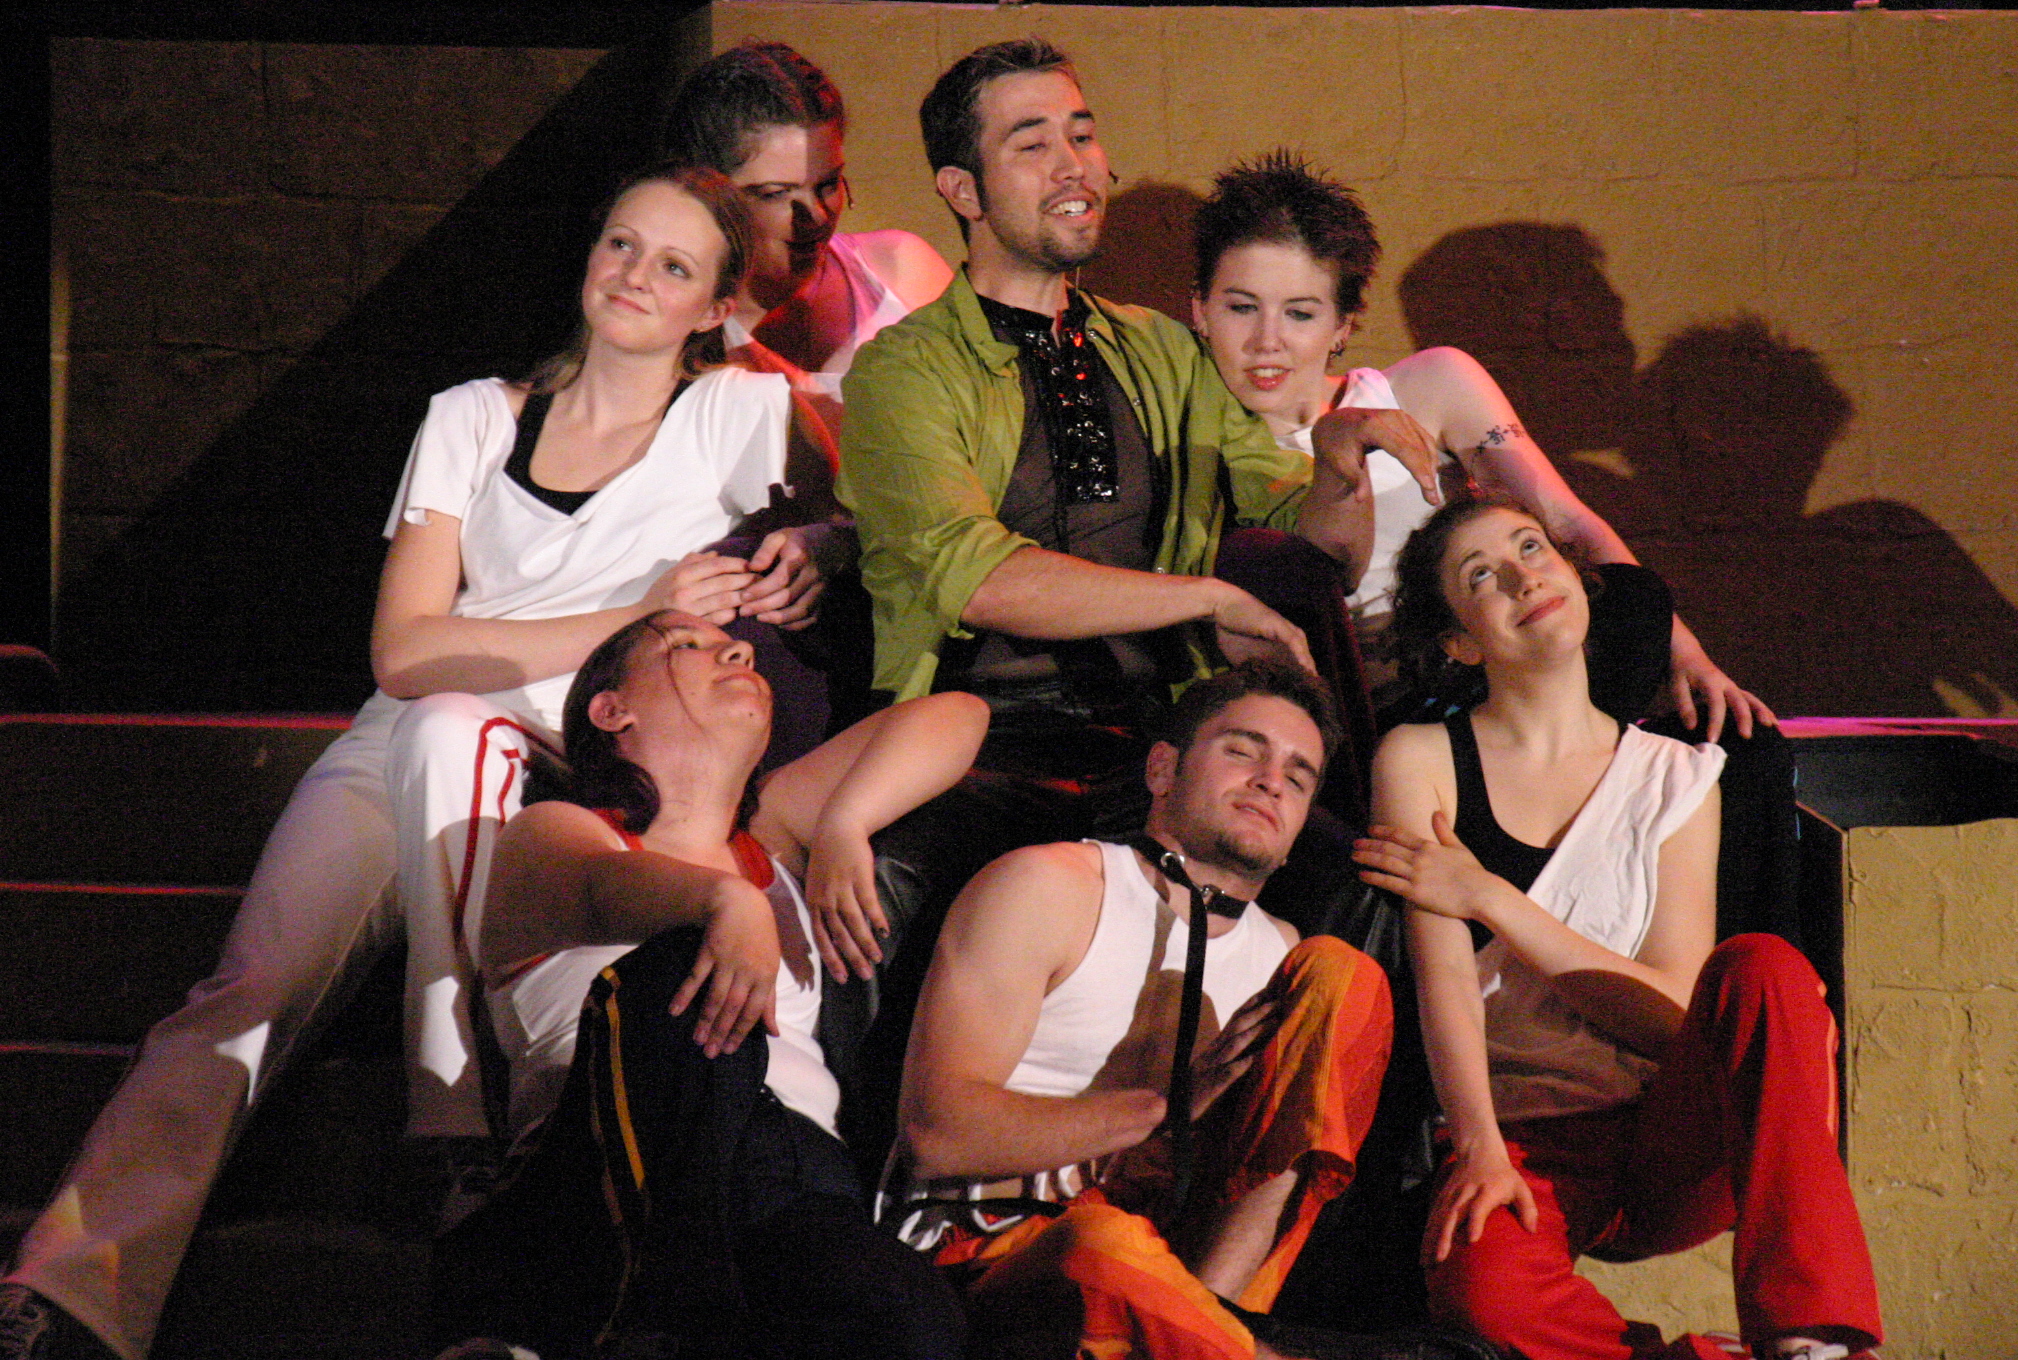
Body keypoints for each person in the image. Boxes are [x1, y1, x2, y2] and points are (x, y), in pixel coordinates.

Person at [0, 162, 836, 1360]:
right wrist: (636, 607)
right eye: (618, 243)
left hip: (574, 763)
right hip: (410, 737)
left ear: (713, 304)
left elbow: (866, 511)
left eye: (671, 264)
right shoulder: (473, 415)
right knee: (247, 987)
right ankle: (70, 1288)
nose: (632, 276)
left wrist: (821, 543)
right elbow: (402, 650)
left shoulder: (736, 411)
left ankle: (454, 1109)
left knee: (458, 727)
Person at [1352, 496, 1881, 1360]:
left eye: (1533, 548)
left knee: (1766, 969)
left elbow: (1671, 1019)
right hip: (1524, 1136)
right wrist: (1479, 1149)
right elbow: (1443, 982)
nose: (1523, 577)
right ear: (1460, 641)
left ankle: (1810, 1333)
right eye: (1482, 576)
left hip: (1671, 1132)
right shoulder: (1419, 758)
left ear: (1577, 577)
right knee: (1484, 1296)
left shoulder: (1676, 775)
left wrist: (1492, 898)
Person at [434, 609, 982, 1357]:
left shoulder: (773, 837)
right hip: (606, 1170)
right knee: (679, 968)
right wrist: (726, 900)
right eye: (688, 645)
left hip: (793, 1177)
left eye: (735, 645)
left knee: (912, 1318)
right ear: (611, 711)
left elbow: (959, 714)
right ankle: (645, 1321)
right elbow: (599, 887)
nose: (738, 651)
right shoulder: (555, 830)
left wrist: (847, 820)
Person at [837, 40, 1393, 763]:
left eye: (1083, 135)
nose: (1073, 165)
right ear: (964, 191)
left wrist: (1341, 465)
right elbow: (976, 578)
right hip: (978, 742)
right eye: (1033, 144)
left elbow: (1315, 552)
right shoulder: (905, 369)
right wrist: (1206, 597)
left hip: (1159, 739)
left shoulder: (1161, 351)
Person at [893, 660, 1397, 1360]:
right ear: (1162, 769)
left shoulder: (1287, 960)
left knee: (1348, 974)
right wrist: (1161, 1108)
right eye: (1243, 750)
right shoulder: (1053, 886)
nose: (1270, 781)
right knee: (1106, 1246)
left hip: (1183, 1264)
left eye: (1298, 775)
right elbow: (936, 1134)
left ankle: (1216, 1322)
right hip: (1002, 1251)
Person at [1191, 151, 1770, 742]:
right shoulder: (1182, 439)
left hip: (1482, 675)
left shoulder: (1428, 385)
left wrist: (1686, 655)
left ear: (1342, 325)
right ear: (1200, 310)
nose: (1267, 341)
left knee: (1641, 612)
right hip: (1338, 718)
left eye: (1300, 314)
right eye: (1242, 307)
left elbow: (1563, 518)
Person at [664, 39, 953, 413]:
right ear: (709, 191)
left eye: (828, 184)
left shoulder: (899, 268)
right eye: (776, 193)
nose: (815, 215)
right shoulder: (677, 327)